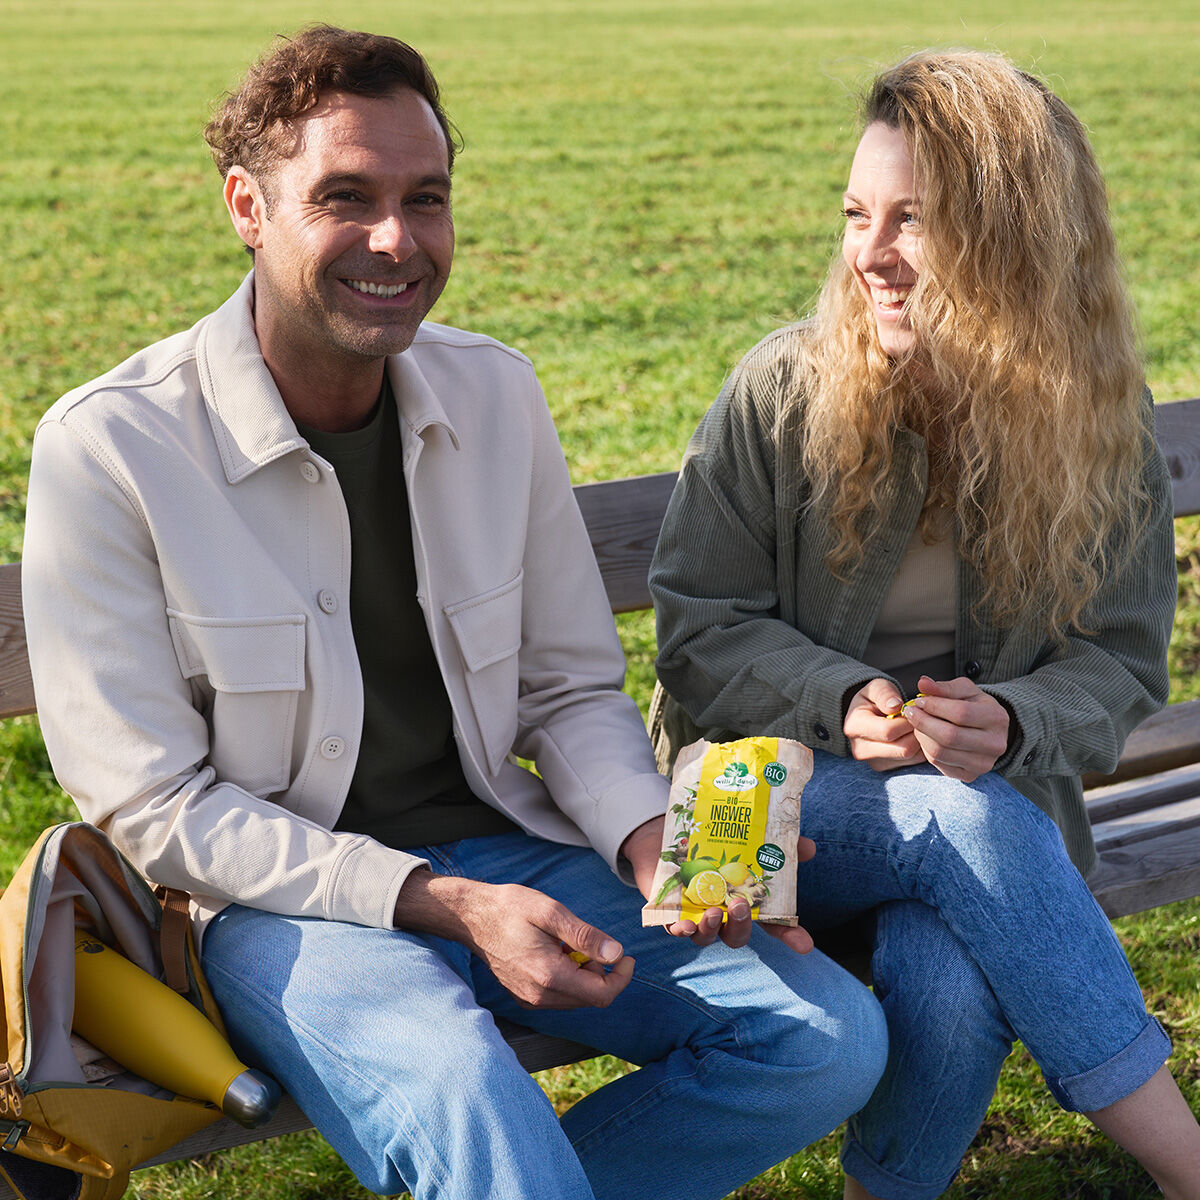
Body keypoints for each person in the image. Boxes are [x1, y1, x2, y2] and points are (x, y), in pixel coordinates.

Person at [20, 25, 888, 1200]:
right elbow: (150, 803)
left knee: (826, 1039)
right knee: (465, 1097)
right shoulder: (111, 447)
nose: (397, 239)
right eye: (346, 197)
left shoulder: (497, 392)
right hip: (266, 909)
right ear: (246, 205)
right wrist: (446, 906)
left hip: (507, 849)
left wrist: (646, 843)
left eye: (425, 198)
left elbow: (569, 688)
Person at [649, 49, 1200, 1200]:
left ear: (1013, 239)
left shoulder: (1094, 425)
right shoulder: (781, 393)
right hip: (753, 822)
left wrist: (1009, 719)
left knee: (948, 971)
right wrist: (840, 701)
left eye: (914, 221)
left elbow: (1122, 658)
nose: (871, 254)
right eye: (858, 214)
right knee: (967, 823)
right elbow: (698, 631)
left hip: (975, 820)